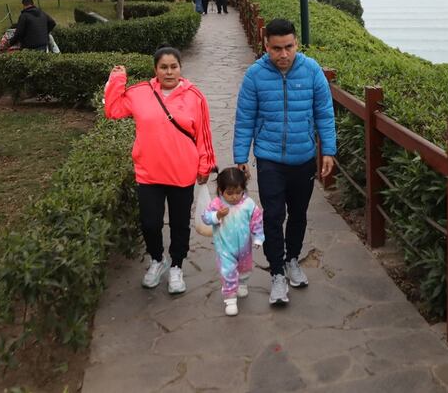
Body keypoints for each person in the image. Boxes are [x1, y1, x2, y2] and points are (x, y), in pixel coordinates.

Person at [233, 18, 336, 306]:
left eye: (288, 47)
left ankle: (293, 259)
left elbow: (324, 114)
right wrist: (241, 156)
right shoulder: (255, 75)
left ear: (296, 44)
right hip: (269, 160)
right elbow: (244, 119)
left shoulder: (312, 70)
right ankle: (277, 272)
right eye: (276, 48)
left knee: (299, 214)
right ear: (266, 46)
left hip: (303, 158)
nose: (283, 54)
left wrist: (328, 150)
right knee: (273, 215)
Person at [105, 47, 217, 294]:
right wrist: (117, 80)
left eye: (173, 66)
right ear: (155, 69)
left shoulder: (194, 97)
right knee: (150, 223)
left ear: (180, 68)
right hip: (148, 172)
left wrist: (205, 164)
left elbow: (203, 135)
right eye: (163, 67)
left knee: (179, 224)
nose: (169, 72)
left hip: (182, 172)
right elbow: (112, 110)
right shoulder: (140, 93)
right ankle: (157, 260)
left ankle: (176, 265)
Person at [201, 167, 264, 316]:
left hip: (244, 246)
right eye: (229, 193)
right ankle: (230, 299)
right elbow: (205, 217)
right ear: (220, 190)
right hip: (224, 246)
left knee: (245, 267)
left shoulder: (248, 204)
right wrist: (216, 215)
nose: (234, 197)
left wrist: (258, 237)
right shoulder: (217, 204)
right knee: (228, 270)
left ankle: (242, 283)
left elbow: (257, 220)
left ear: (243, 189)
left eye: (238, 192)